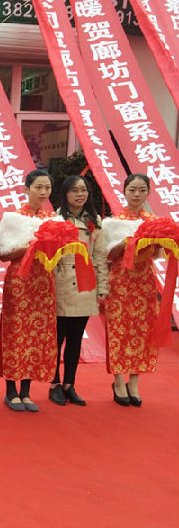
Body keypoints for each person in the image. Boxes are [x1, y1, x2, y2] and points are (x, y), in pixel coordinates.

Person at [0, 169, 58, 412]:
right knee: (16, 332)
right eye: (38, 187)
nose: (43, 192)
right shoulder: (13, 218)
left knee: (37, 334)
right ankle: (11, 390)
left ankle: (26, 391)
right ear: (26, 189)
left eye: (47, 188)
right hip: (19, 283)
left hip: (44, 282)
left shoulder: (54, 220)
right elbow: (3, 254)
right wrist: (30, 247)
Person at [100, 174, 160, 407]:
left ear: (148, 193)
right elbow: (107, 255)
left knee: (142, 332)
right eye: (132, 190)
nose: (136, 195)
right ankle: (118, 381)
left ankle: (134, 381)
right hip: (120, 282)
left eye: (142, 190)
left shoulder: (154, 222)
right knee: (118, 330)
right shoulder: (113, 222)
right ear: (124, 191)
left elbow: (157, 254)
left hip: (145, 283)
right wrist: (126, 243)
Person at [49, 175, 108, 406]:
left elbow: (100, 256)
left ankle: (69, 384)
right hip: (61, 283)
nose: (80, 194)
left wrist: (102, 287)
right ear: (65, 194)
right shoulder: (55, 219)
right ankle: (54, 384)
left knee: (75, 339)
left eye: (84, 190)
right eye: (74, 190)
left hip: (85, 284)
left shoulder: (95, 220)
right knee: (57, 339)